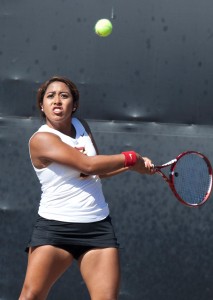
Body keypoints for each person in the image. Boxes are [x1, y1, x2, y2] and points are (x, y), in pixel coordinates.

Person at [19, 76, 153, 300]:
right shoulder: (41, 140)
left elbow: (97, 171)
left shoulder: (81, 126)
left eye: (64, 95)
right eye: (50, 96)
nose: (57, 101)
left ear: (75, 104)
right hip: (55, 229)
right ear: (42, 106)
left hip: (97, 228)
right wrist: (130, 158)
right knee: (31, 296)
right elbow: (87, 164)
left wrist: (133, 168)